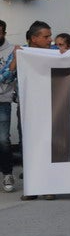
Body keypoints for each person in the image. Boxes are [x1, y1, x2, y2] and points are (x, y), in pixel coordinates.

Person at [19, 21, 56, 200]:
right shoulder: (21, 53)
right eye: (46, 36)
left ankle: (48, 185)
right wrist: (14, 60)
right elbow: (5, 76)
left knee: (49, 145)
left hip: (52, 106)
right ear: (34, 38)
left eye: (50, 36)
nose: (50, 40)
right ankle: (32, 187)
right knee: (30, 146)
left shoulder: (57, 53)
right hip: (28, 108)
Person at [0, 21, 17, 193]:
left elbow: (8, 77)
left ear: (4, 33)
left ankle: (7, 174)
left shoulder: (13, 50)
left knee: (3, 140)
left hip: (2, 100)